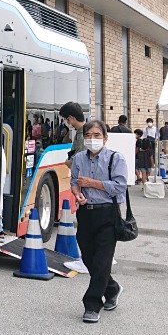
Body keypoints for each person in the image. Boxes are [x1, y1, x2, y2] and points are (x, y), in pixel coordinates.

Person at [70, 120, 127, 323]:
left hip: (108, 214)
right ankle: (112, 289)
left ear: (105, 138)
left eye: (96, 135)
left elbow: (120, 186)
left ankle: (92, 305)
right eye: (88, 135)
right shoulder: (78, 159)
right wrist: (78, 194)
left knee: (102, 261)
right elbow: (74, 183)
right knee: (89, 258)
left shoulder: (115, 158)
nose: (92, 139)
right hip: (85, 213)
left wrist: (92, 183)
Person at [59, 101, 86, 167]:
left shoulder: (84, 135)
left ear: (70, 118)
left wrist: (69, 162)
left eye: (65, 119)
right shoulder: (80, 132)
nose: (65, 122)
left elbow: (79, 160)